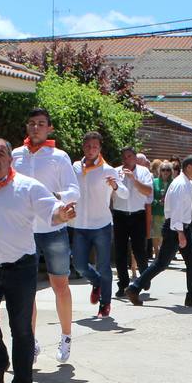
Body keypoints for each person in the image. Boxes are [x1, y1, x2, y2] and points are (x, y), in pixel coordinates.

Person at [0, 137, 76, 383]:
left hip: (20, 267)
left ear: (9, 160)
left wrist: (62, 215)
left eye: (1, 154)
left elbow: (52, 211)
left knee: (21, 328)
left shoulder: (27, 187)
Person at [12, 108, 79, 363]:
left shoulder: (58, 157)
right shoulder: (16, 155)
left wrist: (57, 198)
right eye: (32, 123)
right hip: (24, 231)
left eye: (41, 124)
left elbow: (75, 190)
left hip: (53, 229)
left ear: (49, 128)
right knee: (26, 290)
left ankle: (66, 336)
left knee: (60, 285)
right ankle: (30, 341)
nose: (36, 128)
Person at [126, 155, 192, 309]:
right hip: (175, 228)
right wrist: (180, 233)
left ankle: (191, 297)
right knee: (162, 263)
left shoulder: (187, 183)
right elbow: (176, 210)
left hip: (181, 227)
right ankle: (134, 288)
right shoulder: (180, 185)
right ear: (189, 167)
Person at [70, 131, 121, 320]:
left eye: (95, 147)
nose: (91, 150)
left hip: (101, 225)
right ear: (83, 147)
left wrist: (115, 186)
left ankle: (105, 303)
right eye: (88, 146)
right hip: (80, 224)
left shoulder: (108, 170)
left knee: (104, 265)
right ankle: (97, 282)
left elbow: (122, 192)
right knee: (79, 264)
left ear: (100, 148)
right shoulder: (75, 167)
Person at [111, 146, 154, 297]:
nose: (126, 159)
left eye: (129, 156)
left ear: (135, 158)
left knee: (139, 250)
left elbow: (148, 191)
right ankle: (123, 284)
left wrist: (133, 180)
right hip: (120, 215)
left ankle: (144, 278)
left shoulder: (144, 172)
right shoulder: (115, 172)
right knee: (120, 251)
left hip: (138, 215)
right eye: (124, 157)